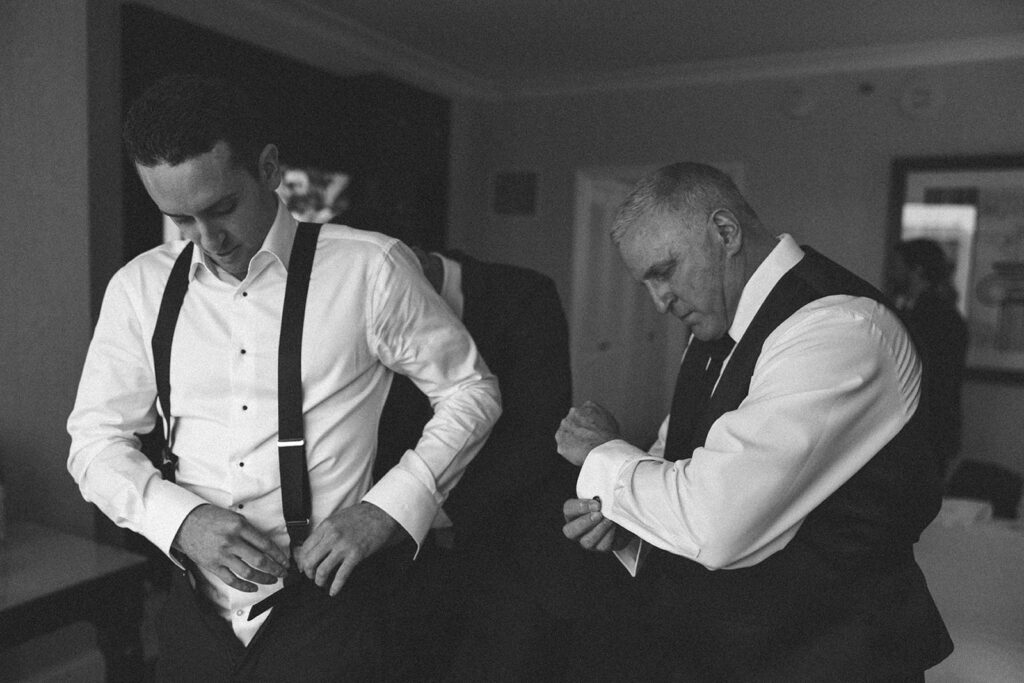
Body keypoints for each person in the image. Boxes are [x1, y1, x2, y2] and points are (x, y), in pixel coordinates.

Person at [66, 74, 501, 680]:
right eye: (179, 219)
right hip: (194, 612)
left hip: (333, 609)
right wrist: (181, 522)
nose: (207, 240)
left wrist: (388, 509)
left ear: (268, 168)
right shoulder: (138, 288)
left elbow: (469, 391)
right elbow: (93, 442)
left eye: (221, 208)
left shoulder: (370, 268)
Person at [556, 162, 953, 679]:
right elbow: (677, 460)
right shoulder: (713, 331)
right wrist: (624, 520)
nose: (658, 301)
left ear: (725, 232)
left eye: (664, 271)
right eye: (647, 283)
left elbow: (718, 521)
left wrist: (604, 455)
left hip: (833, 658)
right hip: (727, 652)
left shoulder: (838, 329)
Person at [375, 247, 592, 680]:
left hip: (516, 531)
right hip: (407, 556)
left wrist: (421, 509)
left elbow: (539, 432)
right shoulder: (365, 305)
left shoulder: (524, 294)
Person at [891, 238, 969, 478]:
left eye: (899, 266)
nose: (893, 272)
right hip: (931, 429)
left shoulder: (931, 317)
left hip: (922, 430)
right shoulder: (940, 313)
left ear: (917, 270)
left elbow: (929, 377)